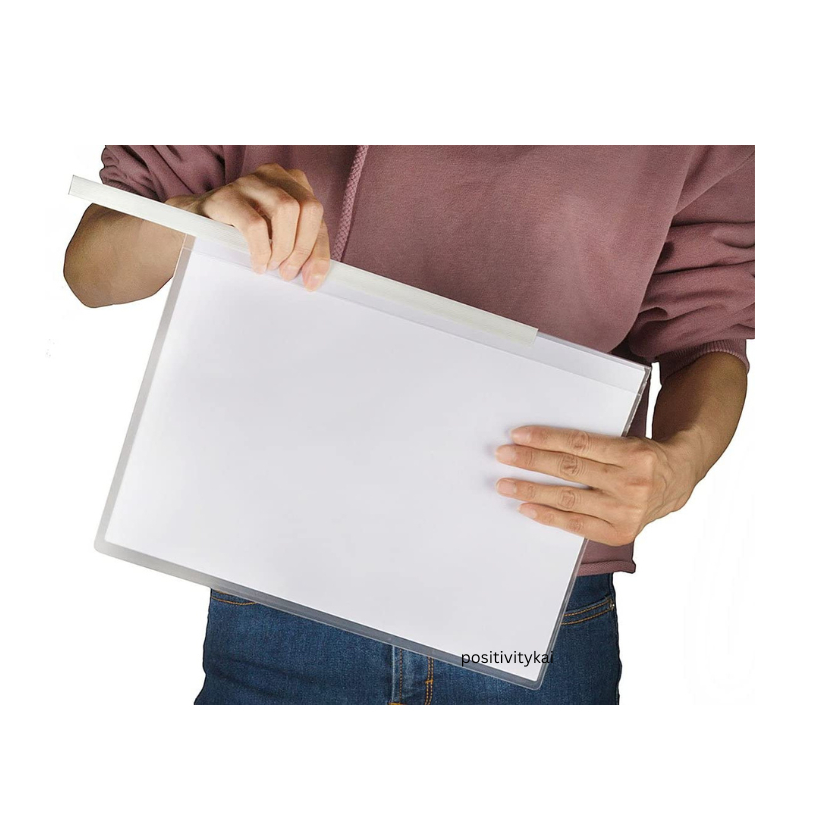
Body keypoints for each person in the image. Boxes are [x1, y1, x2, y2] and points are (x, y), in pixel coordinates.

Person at [64, 145, 754, 705]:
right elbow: (91, 268)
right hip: (280, 584)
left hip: (533, 598)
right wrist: (193, 218)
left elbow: (709, 337)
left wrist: (682, 463)